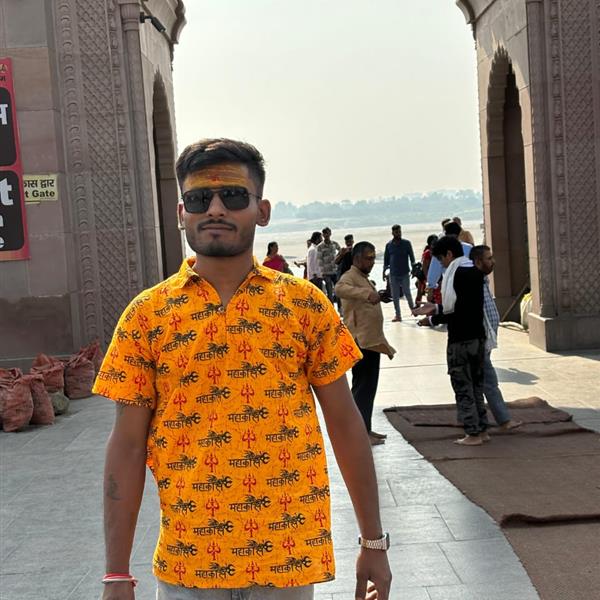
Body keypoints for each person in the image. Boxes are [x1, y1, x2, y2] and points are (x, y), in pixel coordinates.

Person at [93, 138, 392, 600]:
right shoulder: (147, 316)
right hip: (189, 564)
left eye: (233, 196)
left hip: (287, 562)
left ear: (262, 210)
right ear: (182, 213)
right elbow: (128, 446)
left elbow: (345, 423)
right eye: (199, 199)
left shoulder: (303, 305)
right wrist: (116, 574)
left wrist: (373, 541)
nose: (215, 208)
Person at [413, 236, 489, 446]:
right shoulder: (474, 272)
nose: (442, 264)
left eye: (441, 259)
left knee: (463, 387)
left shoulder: (456, 275)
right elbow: (464, 307)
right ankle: (483, 429)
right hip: (478, 338)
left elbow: (457, 312)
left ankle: (472, 433)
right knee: (477, 386)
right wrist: (435, 309)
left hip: (460, 340)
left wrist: (432, 318)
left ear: (449, 254)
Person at [335, 242, 396, 447]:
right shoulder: (349, 277)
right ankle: (360, 435)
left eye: (372, 258)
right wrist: (367, 294)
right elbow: (339, 289)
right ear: (357, 258)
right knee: (362, 390)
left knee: (368, 390)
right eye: (368, 258)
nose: (371, 262)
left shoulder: (362, 278)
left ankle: (365, 429)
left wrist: (378, 296)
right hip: (360, 343)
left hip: (371, 343)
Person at [470, 245, 522, 430]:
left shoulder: (483, 280)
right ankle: (503, 420)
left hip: (486, 339)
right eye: (489, 258)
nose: (493, 261)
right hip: (479, 339)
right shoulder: (473, 281)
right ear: (478, 262)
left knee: (478, 380)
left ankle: (473, 418)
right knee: (489, 380)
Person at [426, 221, 473, 298]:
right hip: (468, 286)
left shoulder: (440, 249)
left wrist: (431, 288)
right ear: (459, 234)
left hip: (450, 288)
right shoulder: (469, 248)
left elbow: (434, 271)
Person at [383, 225, 416, 322]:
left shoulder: (406, 243)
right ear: (392, 233)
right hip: (393, 274)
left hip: (405, 272)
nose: (399, 234)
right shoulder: (389, 245)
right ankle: (398, 315)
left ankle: (414, 311)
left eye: (400, 232)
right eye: (397, 232)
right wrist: (384, 272)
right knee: (395, 295)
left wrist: (414, 269)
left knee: (407, 293)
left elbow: (412, 257)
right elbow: (386, 260)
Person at [316, 227, 341, 302]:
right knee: (329, 292)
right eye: (325, 233)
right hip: (326, 273)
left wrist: (338, 261)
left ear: (330, 233)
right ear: (323, 235)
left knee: (338, 291)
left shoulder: (334, 244)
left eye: (328, 233)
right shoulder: (320, 247)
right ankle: (331, 307)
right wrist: (322, 273)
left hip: (335, 271)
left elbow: (340, 251)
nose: (326, 235)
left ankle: (340, 307)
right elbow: (319, 260)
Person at [414, 234, 438, 305]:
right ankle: (417, 306)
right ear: (429, 244)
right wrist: (428, 279)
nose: (435, 244)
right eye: (433, 243)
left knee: (433, 294)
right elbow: (425, 268)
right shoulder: (428, 253)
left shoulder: (437, 252)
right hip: (424, 276)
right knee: (420, 293)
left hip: (433, 276)